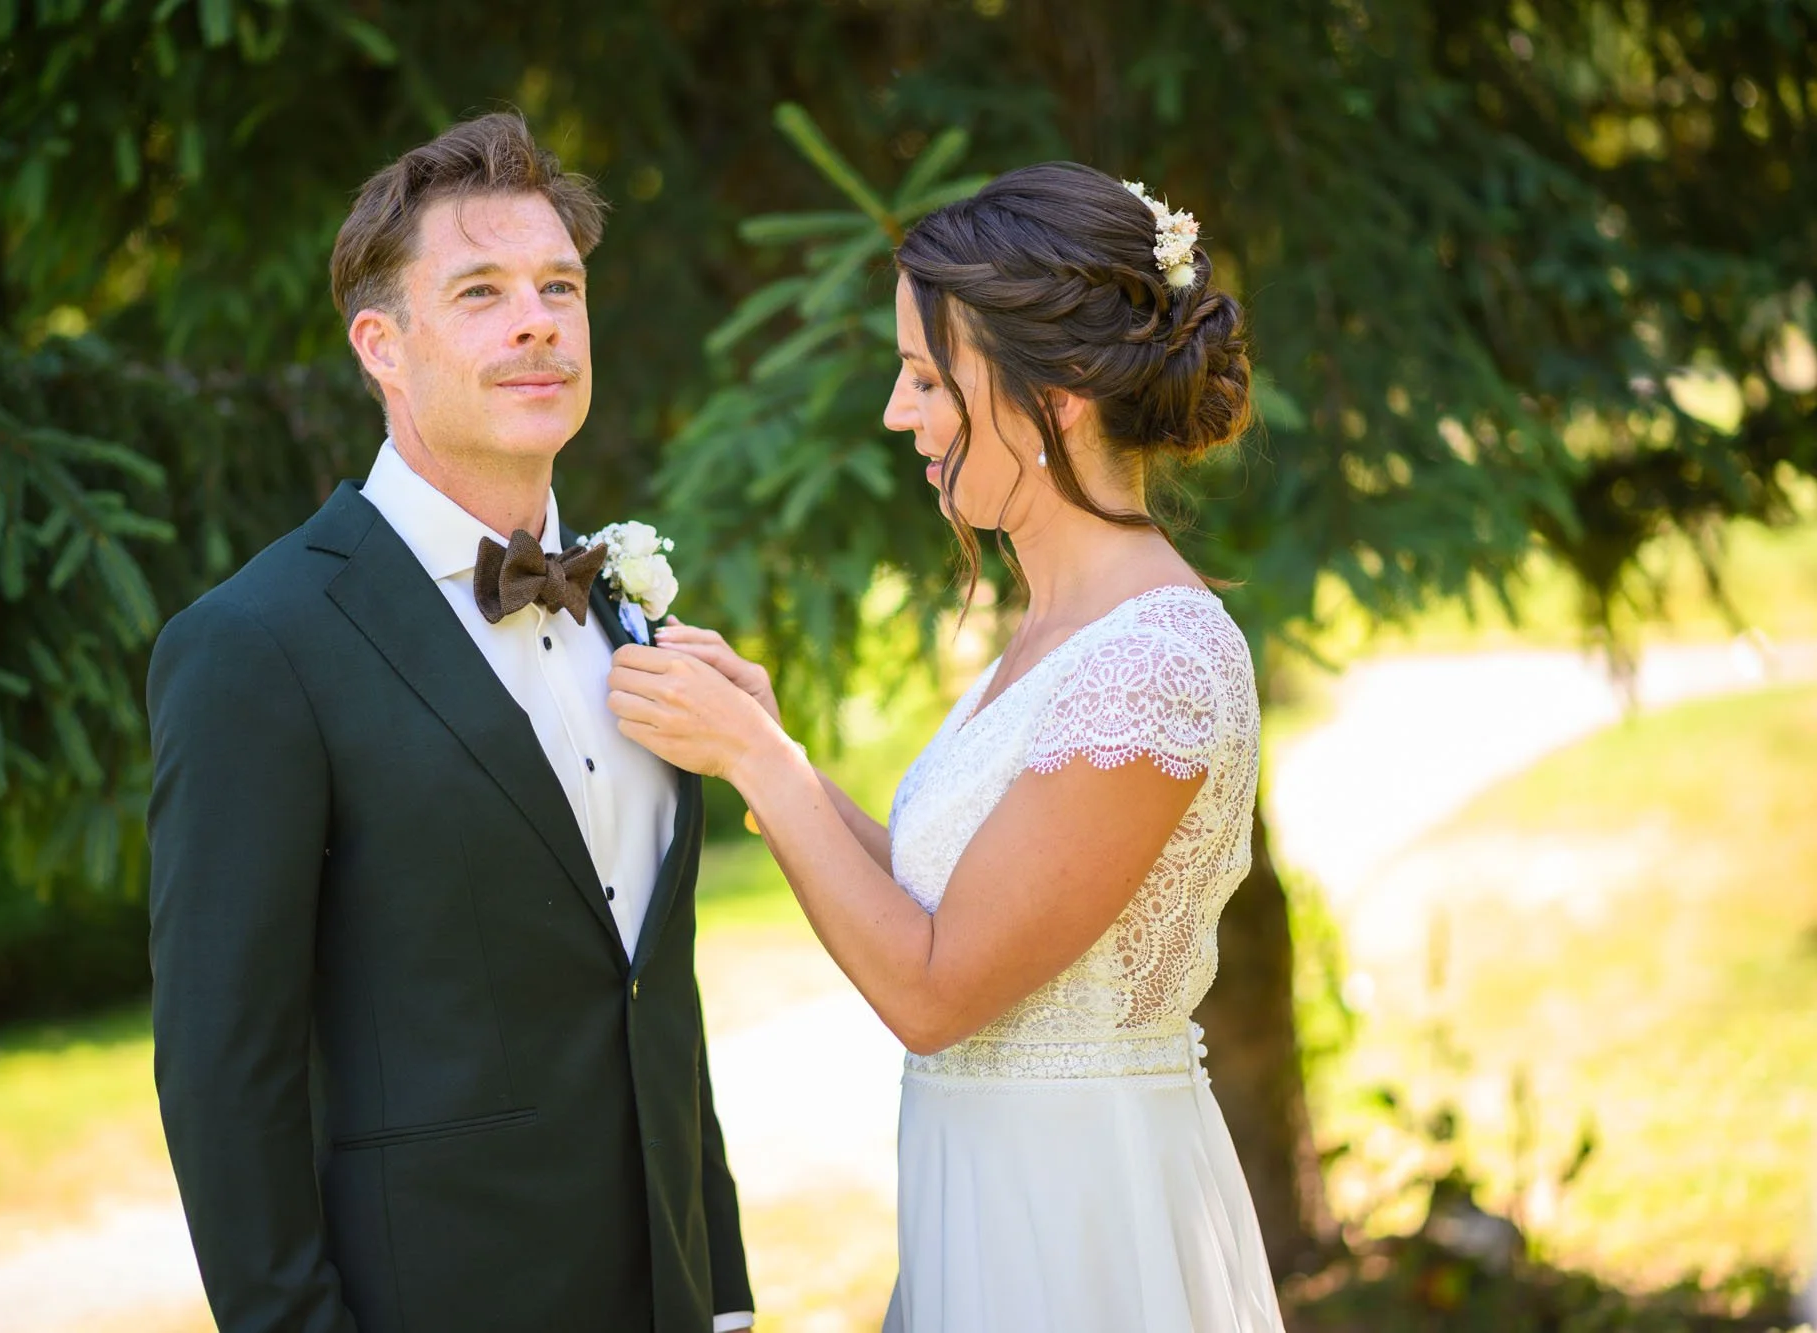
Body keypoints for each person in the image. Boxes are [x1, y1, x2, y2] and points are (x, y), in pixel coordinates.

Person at [608, 162, 1285, 1332]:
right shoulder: (1051, 639)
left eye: (926, 377)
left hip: (1077, 1223)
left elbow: (932, 990)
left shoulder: (1156, 663)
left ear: (1055, 395)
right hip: (982, 1193)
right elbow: (947, 906)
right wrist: (773, 750)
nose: (895, 411)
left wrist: (759, 767)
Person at [145, 112, 753, 1333]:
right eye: (479, 291)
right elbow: (225, 1071)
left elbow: (648, 993)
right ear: (383, 344)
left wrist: (722, 1294)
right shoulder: (257, 644)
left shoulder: (625, 610)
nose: (537, 320)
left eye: (558, 287)